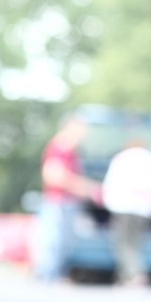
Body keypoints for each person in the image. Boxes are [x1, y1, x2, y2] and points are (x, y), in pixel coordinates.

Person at [36, 115, 97, 283]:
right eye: (83, 128)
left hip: (66, 202)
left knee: (62, 241)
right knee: (55, 241)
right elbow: (52, 175)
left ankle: (53, 276)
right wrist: (82, 187)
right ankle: (48, 277)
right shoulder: (61, 146)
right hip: (58, 202)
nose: (86, 132)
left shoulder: (71, 149)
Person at [102, 141, 151, 286]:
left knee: (123, 242)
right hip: (146, 208)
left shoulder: (121, 158)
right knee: (135, 242)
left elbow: (110, 183)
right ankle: (127, 276)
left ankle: (135, 275)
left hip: (123, 206)